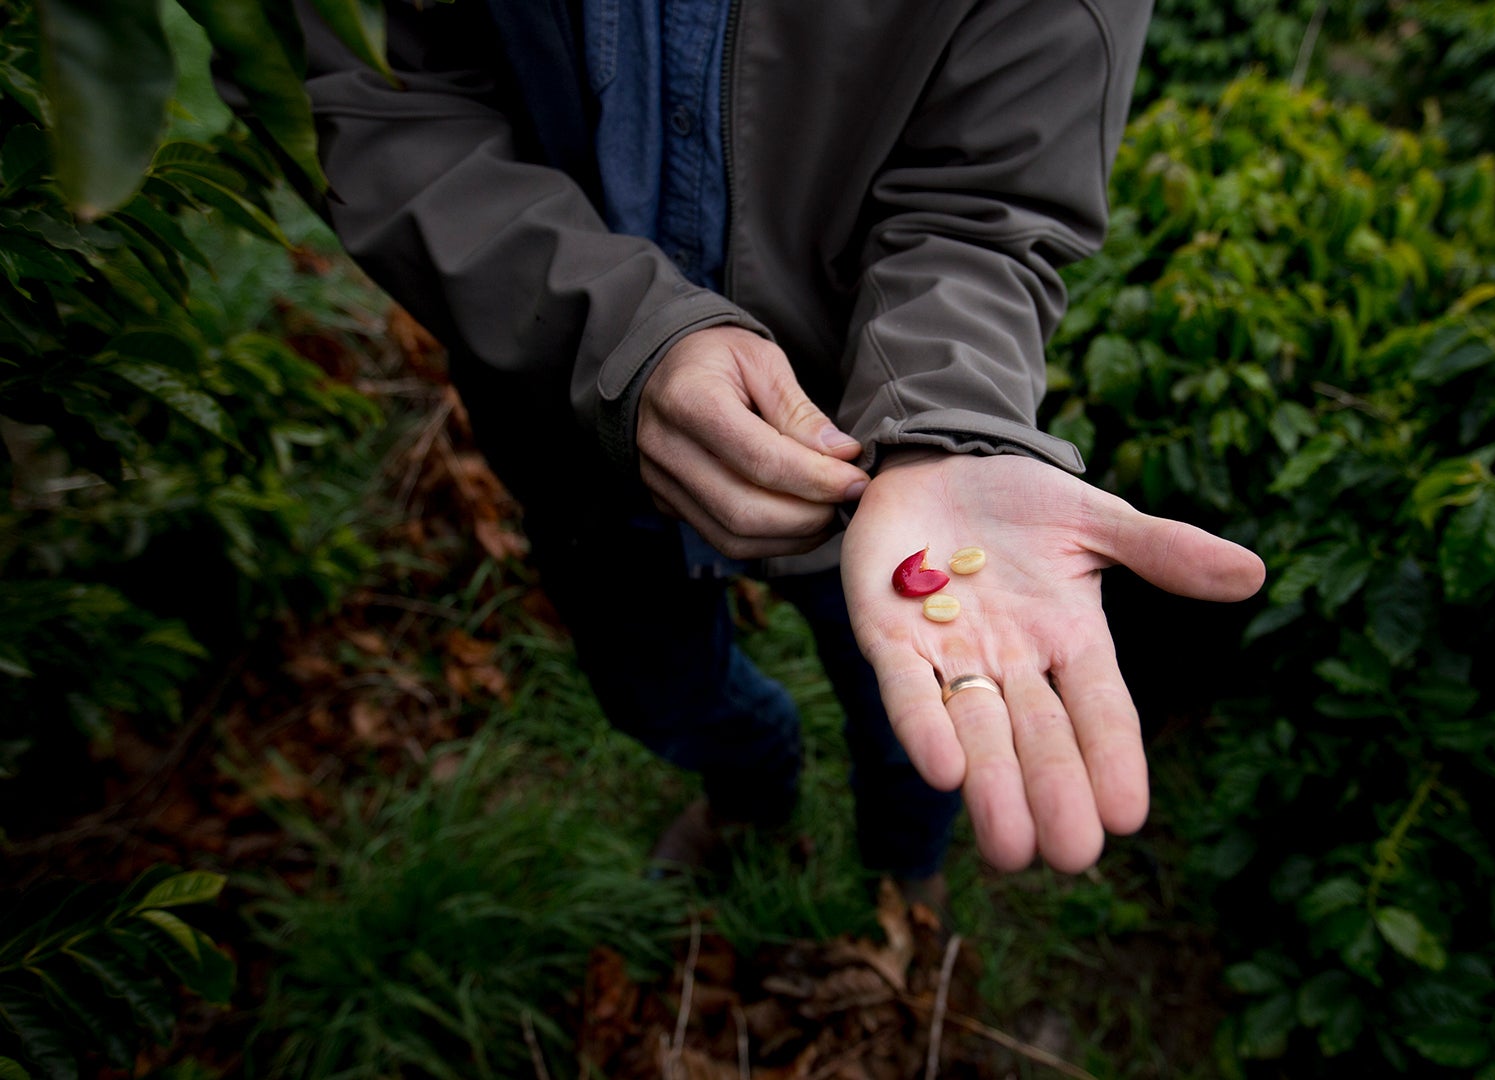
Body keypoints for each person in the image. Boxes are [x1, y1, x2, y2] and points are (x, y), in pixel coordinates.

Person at [291, 0, 1266, 890]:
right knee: (655, 693)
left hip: (861, 459)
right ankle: (751, 782)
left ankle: (901, 874)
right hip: (579, 442)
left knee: (914, 720)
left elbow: (986, 198)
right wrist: (608, 336)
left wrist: (942, 420)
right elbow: (378, 92)